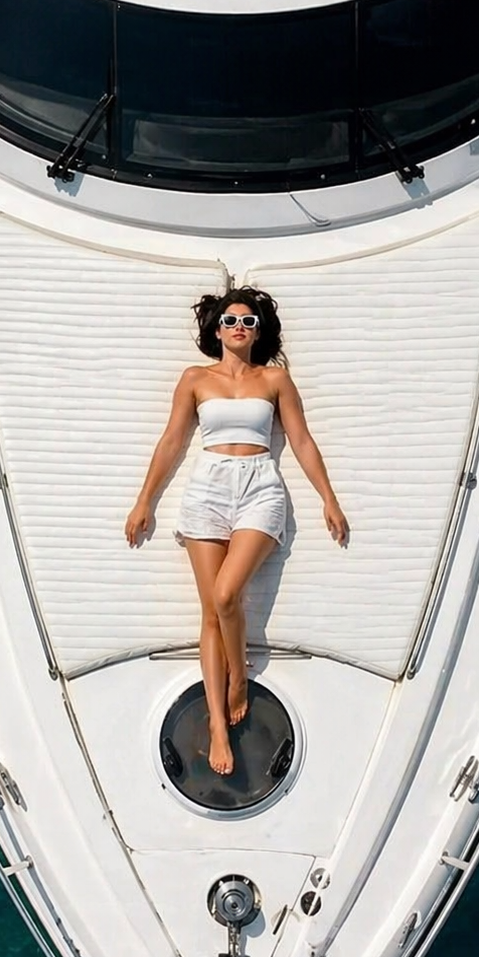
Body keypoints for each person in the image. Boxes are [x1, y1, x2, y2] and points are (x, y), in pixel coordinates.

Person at [125, 287, 348, 776]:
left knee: (227, 594)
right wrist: (145, 500)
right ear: (217, 329)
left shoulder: (275, 379)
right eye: (231, 321)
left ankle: (239, 680)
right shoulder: (195, 378)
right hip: (207, 487)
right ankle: (217, 725)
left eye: (249, 322)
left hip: (259, 487)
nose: (239, 328)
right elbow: (172, 440)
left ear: (259, 331)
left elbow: (301, 440)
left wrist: (328, 498)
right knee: (210, 612)